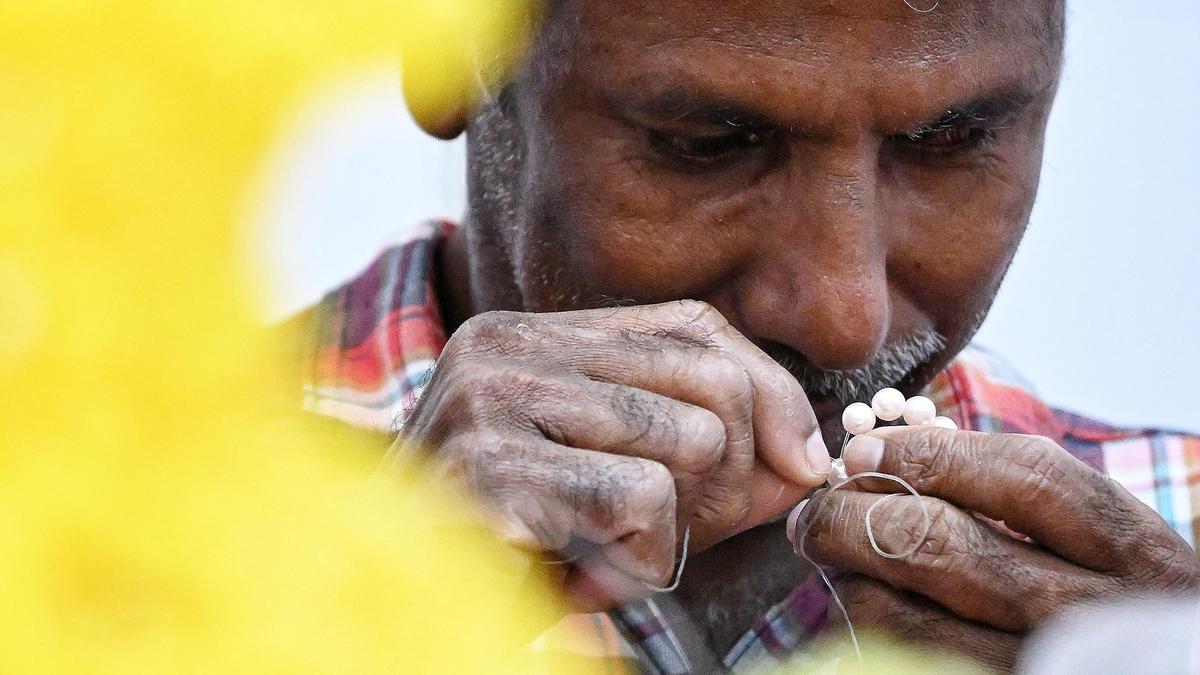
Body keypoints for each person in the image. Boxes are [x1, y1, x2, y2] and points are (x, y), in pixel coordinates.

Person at [288, 0, 1200, 671]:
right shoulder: (157, 510)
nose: (846, 320)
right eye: (706, 144)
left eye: (952, 139)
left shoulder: (1175, 575)